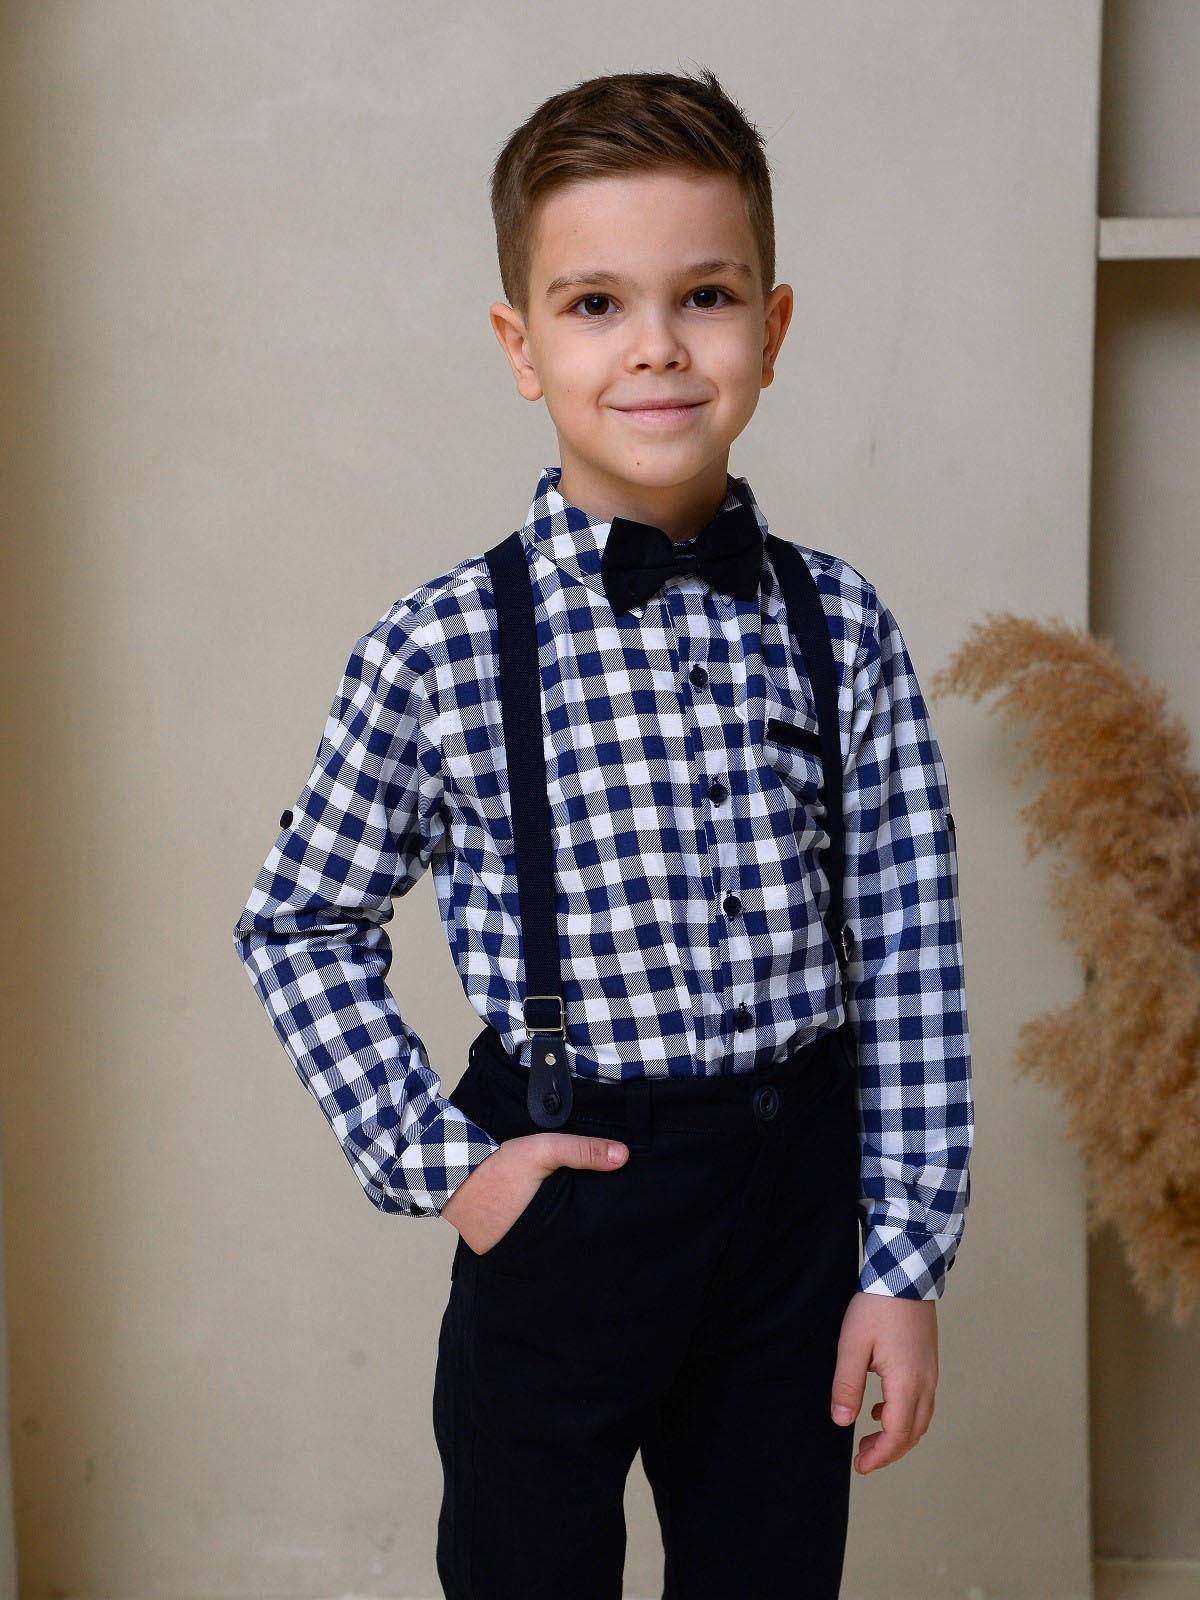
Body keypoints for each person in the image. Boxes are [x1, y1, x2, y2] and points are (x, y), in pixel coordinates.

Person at [232, 66, 973, 1600]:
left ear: (771, 324)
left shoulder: (840, 624)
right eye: (593, 306)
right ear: (522, 346)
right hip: (563, 1199)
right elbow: (298, 921)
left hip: (790, 1204)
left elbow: (909, 958)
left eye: (705, 295)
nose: (655, 347)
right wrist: (449, 1164)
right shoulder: (441, 647)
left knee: (769, 1571)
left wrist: (901, 1266)